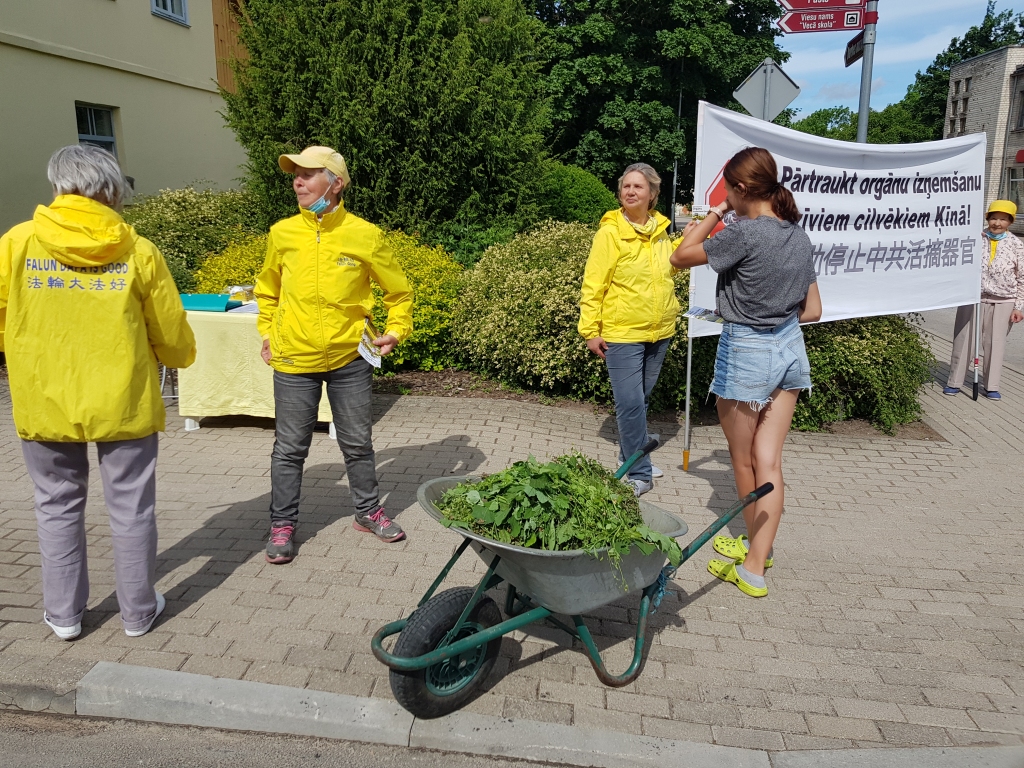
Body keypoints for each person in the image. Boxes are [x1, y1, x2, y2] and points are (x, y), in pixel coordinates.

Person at [0, 144, 196, 639]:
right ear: (111, 188)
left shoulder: (17, 243)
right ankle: (137, 613)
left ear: (58, 185)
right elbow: (172, 339)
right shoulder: (137, 250)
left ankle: (64, 617)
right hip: (123, 400)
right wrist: (179, 358)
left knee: (56, 505)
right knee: (131, 507)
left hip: (45, 399)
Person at [670, 147, 821, 598]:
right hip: (790, 347)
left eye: (728, 193)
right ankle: (760, 547)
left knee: (744, 461)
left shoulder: (745, 233)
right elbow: (812, 310)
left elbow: (681, 255)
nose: (726, 201)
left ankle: (753, 568)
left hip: (747, 351)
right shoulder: (799, 237)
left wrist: (715, 212)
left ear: (739, 189)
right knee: (770, 462)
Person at [255, 146, 413, 563]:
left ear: (336, 183)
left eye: (308, 174)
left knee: (358, 443)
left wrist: (396, 330)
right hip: (294, 360)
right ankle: (282, 525)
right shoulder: (282, 233)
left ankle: (367, 512)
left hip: (350, 359)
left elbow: (399, 291)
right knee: (289, 449)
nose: (298, 181)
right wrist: (268, 332)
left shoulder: (365, 234)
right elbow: (266, 290)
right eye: (295, 174)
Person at [579, 163, 679, 496]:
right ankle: (639, 473)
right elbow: (593, 283)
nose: (631, 191)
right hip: (622, 333)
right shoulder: (610, 233)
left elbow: (669, 271)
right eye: (626, 186)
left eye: (638, 187)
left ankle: (630, 452)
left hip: (659, 330)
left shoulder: (661, 231)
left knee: (642, 399)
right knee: (630, 404)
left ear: (652, 194)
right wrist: (590, 329)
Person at [944, 200, 1024, 400]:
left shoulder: (1016, 244)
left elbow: (1022, 277)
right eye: (994, 218)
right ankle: (954, 382)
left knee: (995, 343)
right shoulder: (974, 238)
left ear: (1010, 222)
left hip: (1004, 300)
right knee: (964, 340)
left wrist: (1019, 307)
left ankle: (991, 386)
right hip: (973, 297)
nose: (997, 223)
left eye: (1003, 219)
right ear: (987, 218)